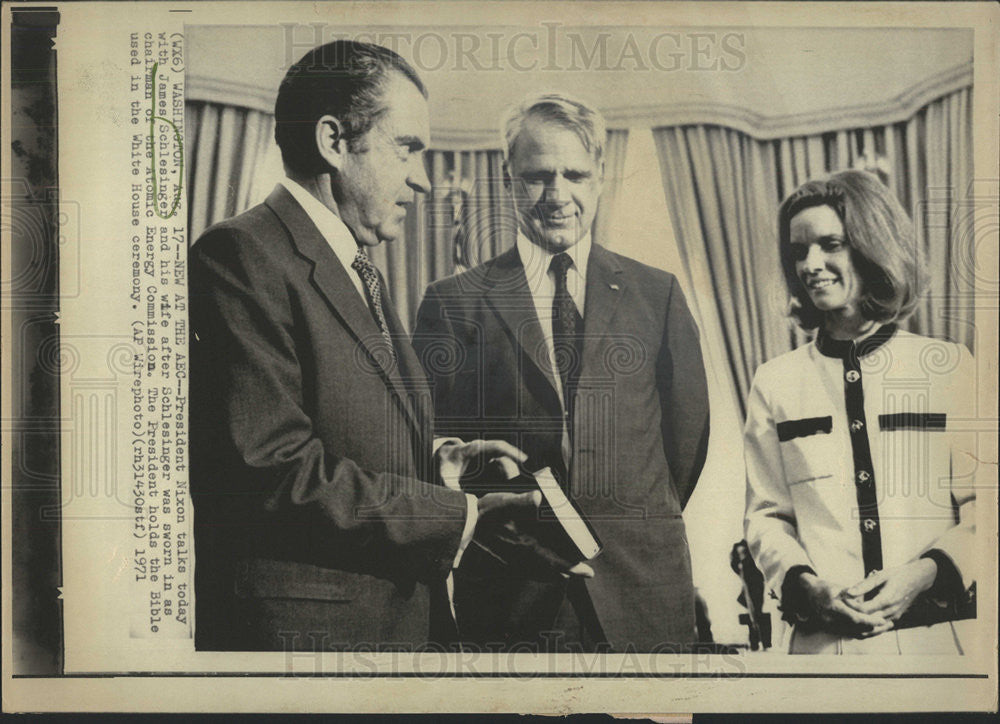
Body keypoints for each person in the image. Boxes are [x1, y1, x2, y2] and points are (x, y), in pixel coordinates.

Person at [189, 41, 589, 652]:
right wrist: (462, 517)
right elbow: (268, 473)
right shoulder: (240, 256)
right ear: (333, 141)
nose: (422, 181)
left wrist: (445, 462)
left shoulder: (352, 265)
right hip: (311, 647)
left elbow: (345, 438)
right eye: (407, 149)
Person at [412, 92, 710, 652]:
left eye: (575, 174)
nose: (557, 196)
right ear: (507, 179)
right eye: (537, 177)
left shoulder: (657, 293)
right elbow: (431, 448)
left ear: (599, 178)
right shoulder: (452, 302)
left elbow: (685, 444)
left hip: (645, 596)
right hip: (511, 601)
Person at [744, 170, 977, 654]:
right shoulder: (775, 380)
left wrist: (924, 573)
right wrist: (804, 585)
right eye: (798, 251)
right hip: (822, 651)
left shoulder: (948, 367)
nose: (811, 264)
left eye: (831, 244)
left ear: (872, 247)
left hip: (941, 646)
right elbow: (768, 517)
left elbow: (986, 509)